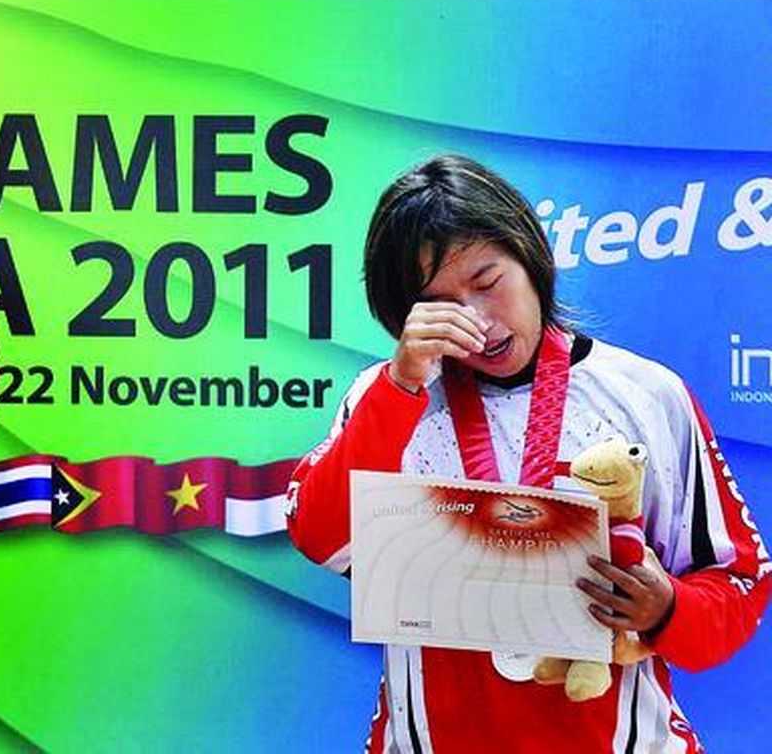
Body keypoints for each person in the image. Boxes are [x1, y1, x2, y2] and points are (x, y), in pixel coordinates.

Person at [285, 155, 770, 753]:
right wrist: (401, 386)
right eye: (442, 304)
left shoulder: (648, 395)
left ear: (532, 253)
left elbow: (741, 583)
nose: (480, 322)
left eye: (489, 283)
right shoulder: (384, 397)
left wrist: (667, 607)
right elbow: (321, 538)